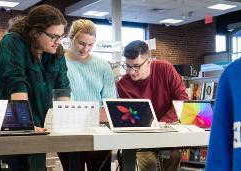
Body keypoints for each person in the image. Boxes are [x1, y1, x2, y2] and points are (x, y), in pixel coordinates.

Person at [0, 5, 70, 171]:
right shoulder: (12, 41)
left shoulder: (55, 51)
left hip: (39, 125)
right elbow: (16, 82)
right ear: (36, 31)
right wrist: (24, 122)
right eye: (54, 37)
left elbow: (63, 87)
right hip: (11, 124)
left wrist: (66, 119)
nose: (58, 42)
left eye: (60, 37)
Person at [116, 40, 189, 171]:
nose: (132, 72)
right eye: (127, 66)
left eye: (136, 66)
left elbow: (181, 98)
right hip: (143, 135)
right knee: (148, 163)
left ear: (148, 61)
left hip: (168, 129)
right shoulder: (123, 84)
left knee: (173, 157)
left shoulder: (165, 69)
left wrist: (163, 122)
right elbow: (129, 116)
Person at [57, 19, 116, 171]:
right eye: (82, 43)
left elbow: (109, 103)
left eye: (90, 44)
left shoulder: (103, 66)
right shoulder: (58, 62)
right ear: (71, 38)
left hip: (98, 131)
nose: (86, 49)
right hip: (68, 131)